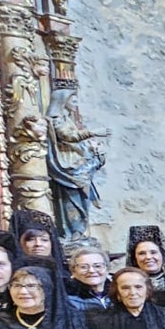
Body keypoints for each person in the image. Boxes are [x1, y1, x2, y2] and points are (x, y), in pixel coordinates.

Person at [44, 88, 107, 241]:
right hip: (66, 165)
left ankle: (79, 231)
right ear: (63, 101)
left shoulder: (66, 117)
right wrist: (92, 132)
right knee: (72, 200)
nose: (76, 103)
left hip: (76, 162)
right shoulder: (56, 118)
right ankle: (73, 231)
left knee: (83, 199)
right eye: (73, 100)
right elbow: (67, 135)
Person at [127, 225, 165, 307]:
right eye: (142, 253)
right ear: (135, 257)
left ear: (162, 255)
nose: (148, 257)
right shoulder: (127, 283)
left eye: (153, 252)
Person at [66, 246, 112, 311]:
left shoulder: (119, 294)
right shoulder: (66, 299)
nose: (91, 270)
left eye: (97, 266)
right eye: (83, 267)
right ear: (73, 271)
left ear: (107, 269)